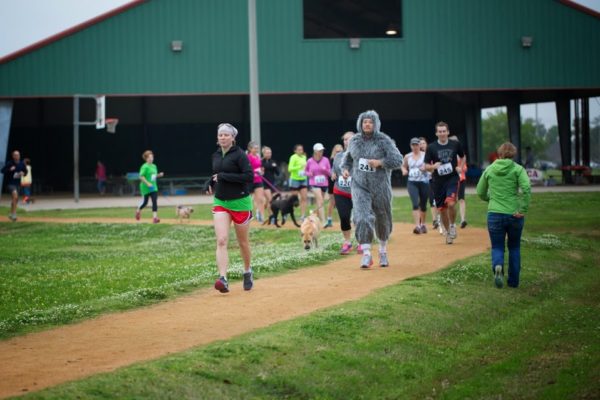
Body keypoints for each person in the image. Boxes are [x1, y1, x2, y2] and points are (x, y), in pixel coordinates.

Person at [342, 110, 403, 268]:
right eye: (364, 122)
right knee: (361, 217)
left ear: (375, 124)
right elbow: (347, 159)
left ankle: (382, 250)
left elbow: (397, 159)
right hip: (359, 186)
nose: (367, 124)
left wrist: (380, 163)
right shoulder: (354, 141)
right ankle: (367, 254)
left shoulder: (383, 140)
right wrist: (345, 170)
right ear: (360, 124)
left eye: (370, 122)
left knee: (382, 218)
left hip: (380, 186)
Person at [207, 123, 254, 293]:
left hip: (240, 202)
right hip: (221, 202)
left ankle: (247, 271)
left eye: (226, 135)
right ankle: (223, 279)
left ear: (233, 138)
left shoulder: (240, 155)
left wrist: (223, 176)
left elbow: (249, 176)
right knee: (221, 240)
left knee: (242, 242)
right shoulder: (216, 155)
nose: (223, 137)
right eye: (220, 135)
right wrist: (210, 182)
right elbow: (216, 175)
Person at [476, 142, 531, 289]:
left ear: (499, 153)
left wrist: (491, 199)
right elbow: (526, 188)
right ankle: (513, 282)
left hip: (494, 213)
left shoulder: (489, 169)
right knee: (514, 247)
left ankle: (498, 267)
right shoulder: (518, 169)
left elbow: (480, 191)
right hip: (514, 214)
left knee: (497, 246)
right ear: (514, 154)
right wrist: (523, 208)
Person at [424, 122, 465, 245]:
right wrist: (433, 166)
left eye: (444, 131)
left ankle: (452, 226)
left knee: (451, 204)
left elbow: (462, 157)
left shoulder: (455, 144)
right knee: (442, 209)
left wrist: (460, 167)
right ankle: (447, 233)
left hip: (452, 178)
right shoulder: (431, 147)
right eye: (439, 131)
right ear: (436, 133)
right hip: (438, 182)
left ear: (448, 132)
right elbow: (426, 166)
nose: (442, 133)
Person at [332, 132, 361, 254]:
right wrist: (333, 174)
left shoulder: (360, 156)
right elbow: (334, 169)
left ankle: (361, 242)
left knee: (359, 219)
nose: (346, 141)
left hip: (358, 192)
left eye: (349, 139)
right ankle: (347, 242)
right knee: (344, 217)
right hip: (340, 191)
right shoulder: (338, 156)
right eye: (344, 139)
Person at [401, 138, 429, 234]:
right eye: (413, 145)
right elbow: (403, 166)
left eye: (417, 145)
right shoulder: (407, 156)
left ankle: (423, 224)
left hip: (424, 182)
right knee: (415, 204)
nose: (415, 147)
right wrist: (404, 170)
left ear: (419, 146)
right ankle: (417, 226)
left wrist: (425, 168)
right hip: (412, 182)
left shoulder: (425, 155)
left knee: (423, 205)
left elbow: (430, 166)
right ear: (411, 146)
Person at [135, 150, 164, 224]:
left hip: (153, 187)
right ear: (146, 158)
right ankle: (138, 210)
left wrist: (159, 175)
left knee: (154, 201)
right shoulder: (144, 166)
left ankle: (155, 218)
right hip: (145, 187)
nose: (151, 158)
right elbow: (141, 177)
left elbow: (152, 177)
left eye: (152, 157)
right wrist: (148, 184)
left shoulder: (154, 166)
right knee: (145, 202)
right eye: (149, 157)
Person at [305, 143, 331, 223]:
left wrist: (325, 170)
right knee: (320, 200)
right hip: (314, 183)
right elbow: (306, 171)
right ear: (315, 151)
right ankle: (323, 221)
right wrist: (309, 174)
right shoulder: (310, 161)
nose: (321, 152)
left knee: (320, 202)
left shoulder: (326, 160)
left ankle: (316, 218)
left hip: (324, 184)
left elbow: (330, 172)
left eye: (322, 150)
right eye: (319, 151)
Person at [1, 150, 27, 221]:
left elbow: (25, 172)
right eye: (15, 155)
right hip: (10, 184)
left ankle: (11, 213)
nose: (17, 156)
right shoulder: (10, 163)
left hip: (17, 184)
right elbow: (2, 170)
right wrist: (9, 169)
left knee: (16, 199)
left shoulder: (22, 164)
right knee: (15, 196)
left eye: (18, 155)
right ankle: (14, 214)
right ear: (13, 156)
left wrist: (23, 173)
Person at [419, 137, 439, 231]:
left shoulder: (431, 153)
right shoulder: (418, 156)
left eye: (423, 143)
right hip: (423, 181)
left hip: (433, 179)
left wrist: (429, 168)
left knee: (434, 199)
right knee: (425, 200)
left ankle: (436, 219)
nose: (422, 145)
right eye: (420, 143)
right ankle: (427, 221)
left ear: (426, 144)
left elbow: (436, 166)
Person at [449, 135, 468, 228]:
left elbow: (465, 168)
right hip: (450, 180)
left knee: (461, 199)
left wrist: (461, 168)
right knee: (451, 201)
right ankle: (452, 222)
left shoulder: (461, 155)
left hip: (461, 179)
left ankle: (463, 219)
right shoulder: (447, 154)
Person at [288, 144, 308, 220]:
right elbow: (290, 169)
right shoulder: (293, 157)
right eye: (299, 150)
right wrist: (299, 167)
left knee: (304, 198)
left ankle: (303, 215)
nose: (300, 151)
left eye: (301, 149)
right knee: (294, 200)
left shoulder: (304, 157)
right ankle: (288, 212)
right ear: (295, 151)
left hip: (303, 179)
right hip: (295, 180)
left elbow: (306, 167)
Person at [247, 142, 265, 223]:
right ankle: (248, 215)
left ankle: (261, 216)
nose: (257, 150)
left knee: (260, 199)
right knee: (249, 199)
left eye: (257, 148)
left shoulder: (258, 156)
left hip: (258, 180)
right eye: (255, 148)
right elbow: (246, 168)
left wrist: (261, 171)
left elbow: (260, 166)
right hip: (250, 181)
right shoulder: (248, 157)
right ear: (250, 149)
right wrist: (253, 172)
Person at [325, 144, 343, 229]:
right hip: (332, 182)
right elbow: (329, 170)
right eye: (337, 151)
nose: (338, 153)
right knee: (332, 202)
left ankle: (346, 220)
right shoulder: (331, 160)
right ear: (334, 152)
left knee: (342, 203)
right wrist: (333, 173)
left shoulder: (345, 159)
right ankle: (329, 220)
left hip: (343, 183)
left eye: (340, 151)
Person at [261, 146, 280, 219]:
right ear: (263, 153)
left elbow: (278, 173)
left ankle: (259, 210)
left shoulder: (273, 162)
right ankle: (272, 216)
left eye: (270, 153)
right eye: (267, 153)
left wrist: (275, 167)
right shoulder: (260, 162)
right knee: (270, 200)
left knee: (268, 201)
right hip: (264, 183)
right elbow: (259, 173)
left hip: (272, 184)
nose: (269, 154)